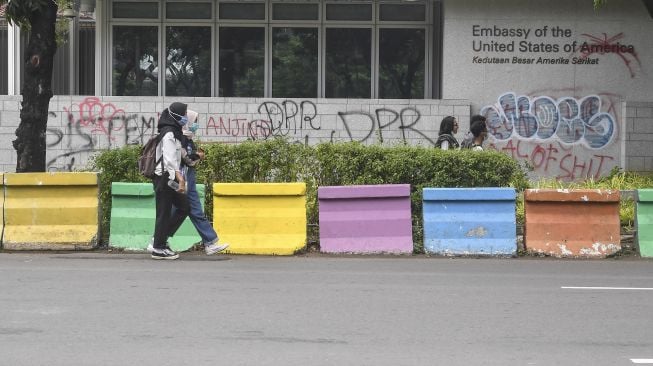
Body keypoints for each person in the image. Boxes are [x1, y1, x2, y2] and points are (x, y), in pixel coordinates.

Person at [176, 111, 229, 255]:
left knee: (195, 210)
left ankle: (210, 242)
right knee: (174, 212)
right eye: (194, 121)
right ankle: (158, 240)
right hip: (183, 178)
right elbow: (186, 159)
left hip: (189, 178)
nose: (196, 125)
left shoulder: (188, 138)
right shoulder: (180, 138)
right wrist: (198, 156)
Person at [149, 102, 190, 260]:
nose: (186, 117)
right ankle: (158, 248)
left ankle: (159, 239)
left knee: (184, 207)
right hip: (164, 177)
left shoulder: (175, 132)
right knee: (164, 213)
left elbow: (179, 156)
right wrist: (180, 178)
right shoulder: (168, 133)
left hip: (170, 177)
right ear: (175, 115)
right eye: (184, 114)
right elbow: (169, 159)